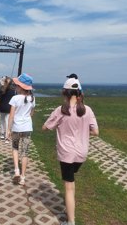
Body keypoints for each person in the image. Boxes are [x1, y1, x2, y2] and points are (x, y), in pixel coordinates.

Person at [42, 75, 99, 225]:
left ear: (64, 93)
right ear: (80, 93)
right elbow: (96, 131)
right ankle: (71, 206)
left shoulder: (61, 110)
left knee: (68, 187)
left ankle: (71, 221)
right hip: (81, 154)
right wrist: (83, 131)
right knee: (71, 182)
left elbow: (45, 127)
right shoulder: (88, 110)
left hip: (67, 154)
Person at [7, 73, 35, 186]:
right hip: (27, 128)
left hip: (16, 128)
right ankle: (23, 177)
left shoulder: (15, 98)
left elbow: (11, 116)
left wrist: (8, 129)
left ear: (20, 87)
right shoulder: (32, 98)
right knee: (25, 152)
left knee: (15, 148)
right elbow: (31, 113)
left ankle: (16, 170)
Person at [0, 76, 15, 144]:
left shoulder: (2, 90)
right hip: (9, 108)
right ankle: (7, 137)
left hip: (2, 107)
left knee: (2, 121)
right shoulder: (13, 91)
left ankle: (2, 134)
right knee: (7, 122)